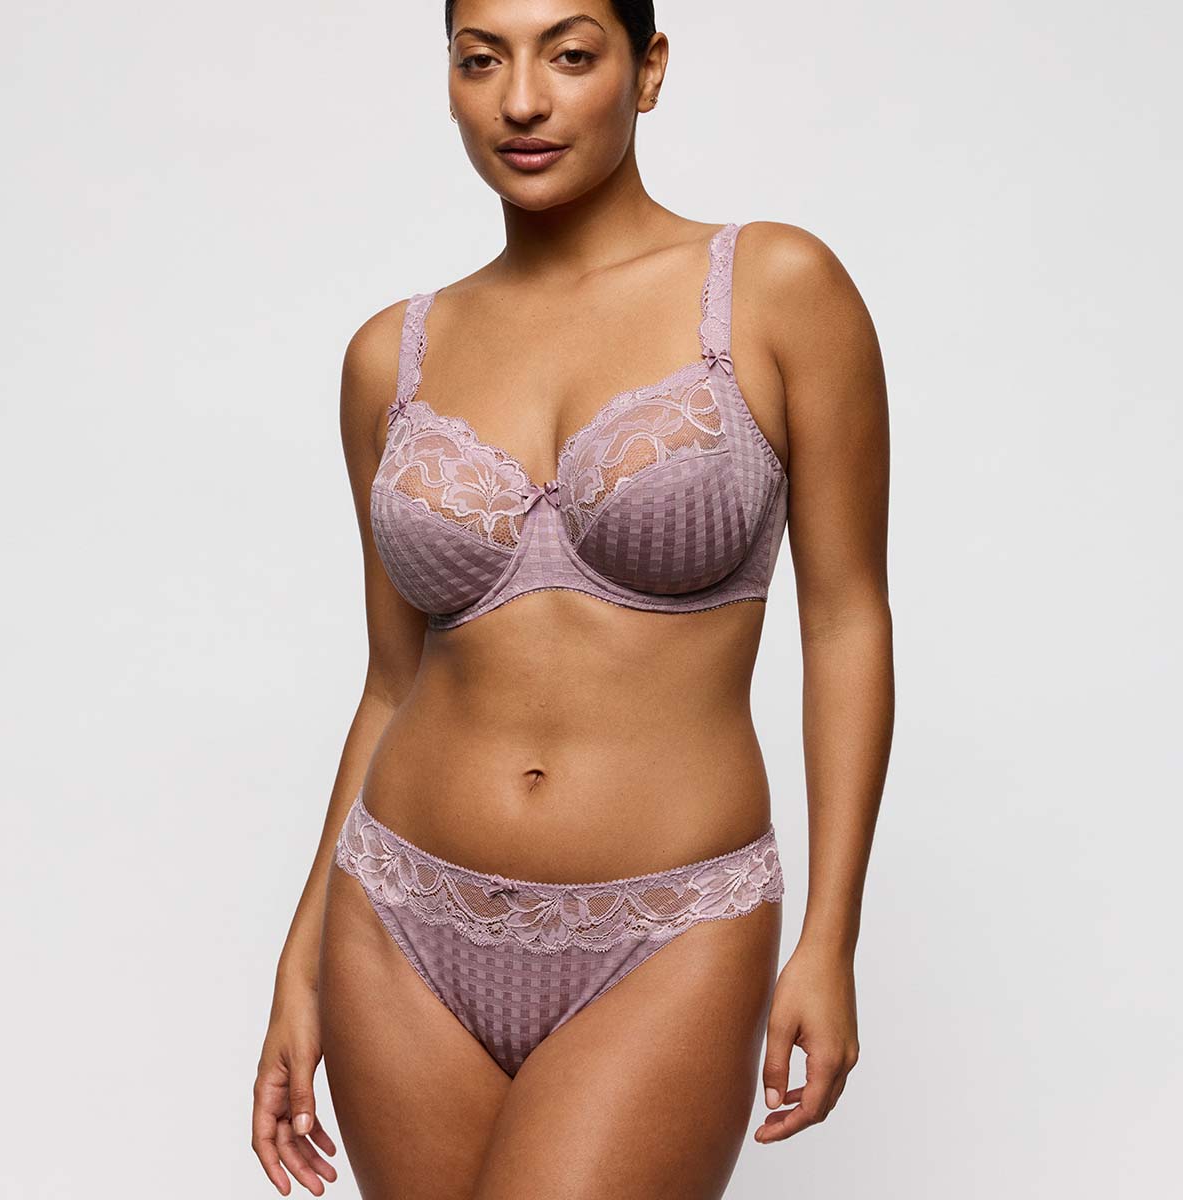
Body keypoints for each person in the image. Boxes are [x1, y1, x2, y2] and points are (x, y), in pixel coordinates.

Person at [251, 2, 893, 1196]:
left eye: (571, 53)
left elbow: (846, 621)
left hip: (670, 930)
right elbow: (391, 682)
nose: (522, 100)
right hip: (396, 916)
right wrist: (301, 962)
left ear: (647, 70)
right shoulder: (391, 356)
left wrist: (831, 934)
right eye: (480, 60)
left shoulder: (773, 288)